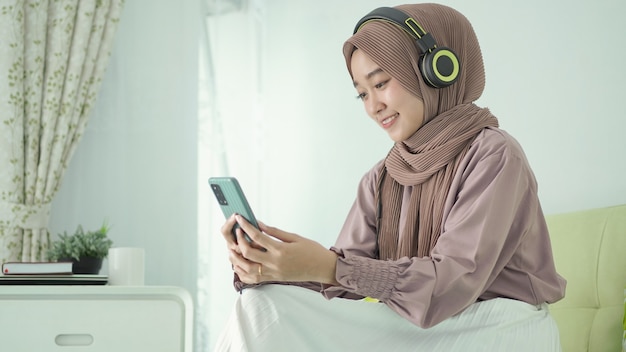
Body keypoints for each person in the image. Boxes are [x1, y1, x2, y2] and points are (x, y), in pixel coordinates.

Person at [215, 3, 566, 351]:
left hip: (498, 326)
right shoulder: (381, 178)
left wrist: (330, 267)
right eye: (362, 93)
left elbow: (451, 284)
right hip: (416, 327)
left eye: (380, 83)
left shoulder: (494, 154)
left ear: (437, 70)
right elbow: (345, 279)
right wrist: (275, 268)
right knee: (261, 306)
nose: (373, 107)